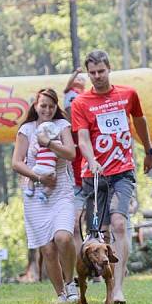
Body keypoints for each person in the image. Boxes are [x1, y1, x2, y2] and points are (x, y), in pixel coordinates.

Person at [72, 49, 152, 304]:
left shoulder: (128, 95)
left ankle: (119, 286)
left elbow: (140, 123)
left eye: (101, 71)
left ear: (109, 69)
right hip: (94, 175)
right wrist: (92, 159)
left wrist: (149, 150)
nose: (97, 76)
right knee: (101, 233)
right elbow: (83, 139)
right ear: (88, 73)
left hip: (123, 171)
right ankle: (103, 280)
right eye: (92, 72)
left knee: (120, 223)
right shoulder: (81, 103)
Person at [11, 88, 78, 303]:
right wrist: (39, 178)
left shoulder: (61, 126)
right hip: (35, 192)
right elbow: (17, 162)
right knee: (48, 249)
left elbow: (71, 153)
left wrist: (49, 142)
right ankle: (60, 294)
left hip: (61, 190)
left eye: (51, 106)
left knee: (63, 237)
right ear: (35, 106)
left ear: (55, 107)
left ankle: (71, 284)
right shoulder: (26, 130)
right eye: (43, 106)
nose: (47, 110)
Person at [63, 68, 88, 256]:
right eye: (70, 108)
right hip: (76, 184)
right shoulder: (64, 129)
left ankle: (102, 265)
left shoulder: (86, 99)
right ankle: (82, 264)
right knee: (75, 225)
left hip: (92, 180)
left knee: (98, 225)